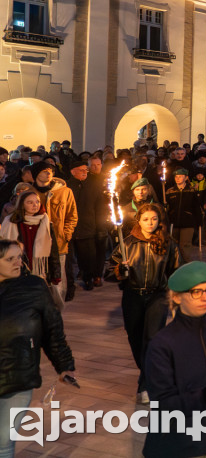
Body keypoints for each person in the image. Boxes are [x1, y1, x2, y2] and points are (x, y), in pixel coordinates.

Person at [143, 262, 206, 458]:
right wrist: (202, 398)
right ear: (176, 297)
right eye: (196, 292)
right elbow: (162, 403)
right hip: (180, 447)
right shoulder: (163, 343)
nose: (205, 297)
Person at [0, 238, 77, 458]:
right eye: (9, 259)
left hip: (18, 375)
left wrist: (65, 365)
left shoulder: (34, 286)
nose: (17, 263)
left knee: (3, 440)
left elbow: (52, 329)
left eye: (19, 257)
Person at [105, 203, 184, 403]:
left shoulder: (168, 243)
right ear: (138, 221)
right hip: (132, 296)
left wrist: (177, 295)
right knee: (135, 338)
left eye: (154, 219)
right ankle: (150, 374)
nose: (150, 223)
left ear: (160, 221)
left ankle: (145, 386)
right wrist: (119, 272)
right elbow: (107, 270)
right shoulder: (128, 243)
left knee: (152, 340)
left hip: (157, 296)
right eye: (146, 219)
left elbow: (177, 270)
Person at [30, 161, 76, 303]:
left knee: (58, 281)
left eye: (50, 170)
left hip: (59, 243)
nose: (48, 173)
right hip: (36, 244)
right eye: (44, 171)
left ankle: (57, 313)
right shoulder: (30, 193)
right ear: (36, 174)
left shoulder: (64, 192)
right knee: (38, 279)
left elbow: (72, 216)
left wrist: (65, 235)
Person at [67, 157, 107, 291]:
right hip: (71, 228)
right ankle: (69, 281)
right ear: (73, 172)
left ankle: (88, 278)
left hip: (88, 226)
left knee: (88, 256)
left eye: (86, 170)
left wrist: (100, 226)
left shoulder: (93, 186)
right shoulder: (67, 187)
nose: (85, 172)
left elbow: (100, 207)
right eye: (81, 170)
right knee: (70, 258)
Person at [164, 168, 203, 262]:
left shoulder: (191, 191)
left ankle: (185, 262)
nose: (178, 179)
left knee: (185, 244)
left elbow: (196, 207)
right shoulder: (170, 191)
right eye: (176, 177)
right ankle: (174, 263)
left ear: (186, 178)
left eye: (180, 177)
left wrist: (199, 221)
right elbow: (167, 207)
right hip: (174, 221)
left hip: (187, 221)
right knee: (174, 243)